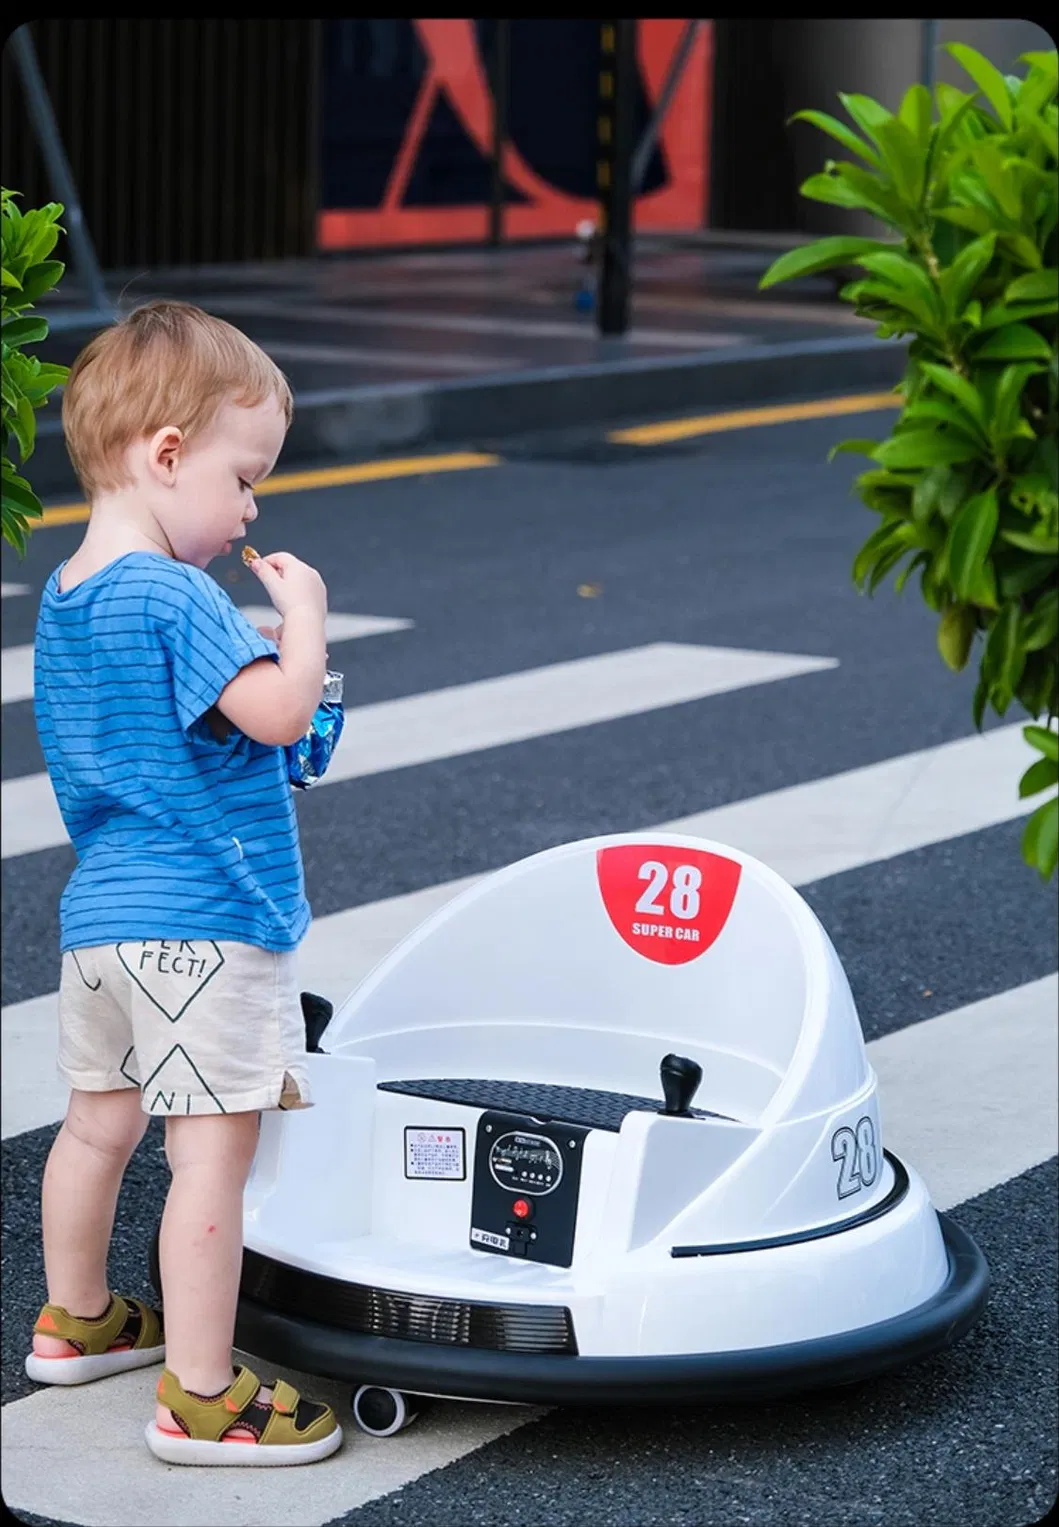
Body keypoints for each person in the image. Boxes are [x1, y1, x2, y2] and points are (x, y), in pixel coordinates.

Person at [26, 300, 343, 1466]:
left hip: (102, 924)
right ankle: (204, 1395)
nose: (251, 507)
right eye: (245, 476)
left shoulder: (68, 596)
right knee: (212, 1155)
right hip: (206, 923)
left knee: (95, 1129)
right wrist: (301, 622)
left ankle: (78, 1319)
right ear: (166, 455)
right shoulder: (175, 593)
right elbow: (277, 713)